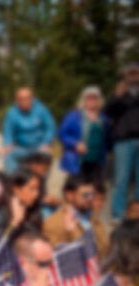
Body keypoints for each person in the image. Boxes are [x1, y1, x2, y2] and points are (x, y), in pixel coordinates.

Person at [106, 63, 139, 219]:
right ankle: (118, 214)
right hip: (123, 142)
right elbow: (107, 112)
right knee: (121, 179)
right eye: (130, 73)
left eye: (136, 73)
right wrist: (117, 95)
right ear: (125, 76)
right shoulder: (120, 93)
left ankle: (136, 212)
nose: (133, 76)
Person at [43, 174, 110, 250]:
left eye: (92, 195)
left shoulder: (93, 217)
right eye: (85, 195)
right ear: (69, 195)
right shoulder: (53, 223)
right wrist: (73, 232)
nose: (90, 199)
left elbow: (105, 247)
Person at [58, 86, 109, 182]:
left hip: (96, 161)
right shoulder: (73, 116)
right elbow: (62, 134)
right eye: (89, 98)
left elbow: (107, 139)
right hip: (78, 160)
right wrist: (75, 143)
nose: (92, 100)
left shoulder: (103, 119)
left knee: (94, 190)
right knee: (77, 189)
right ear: (83, 100)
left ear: (99, 100)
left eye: (95, 98)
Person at [2, 87, 56, 173]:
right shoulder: (12, 113)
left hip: (39, 146)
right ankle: (14, 181)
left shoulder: (42, 110)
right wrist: (8, 144)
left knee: (46, 156)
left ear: (32, 98)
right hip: (21, 147)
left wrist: (46, 142)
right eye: (21, 99)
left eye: (27, 98)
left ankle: (40, 183)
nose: (24, 101)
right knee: (8, 156)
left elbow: (50, 127)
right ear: (16, 101)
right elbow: (8, 130)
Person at [0, 170, 43, 248]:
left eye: (38, 189)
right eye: (32, 189)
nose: (36, 194)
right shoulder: (0, 215)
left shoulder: (34, 213)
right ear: (16, 189)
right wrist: (15, 222)